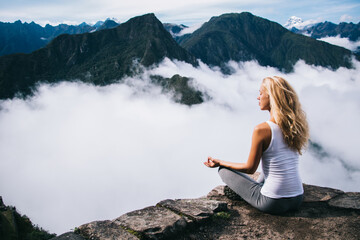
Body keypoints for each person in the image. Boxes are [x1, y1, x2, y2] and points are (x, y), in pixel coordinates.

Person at [204, 76, 309, 214]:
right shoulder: (294, 127)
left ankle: (244, 191)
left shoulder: (262, 130)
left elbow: (250, 168)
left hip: (272, 202)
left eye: (260, 93)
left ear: (271, 97)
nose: (258, 97)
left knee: (223, 171)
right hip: (297, 198)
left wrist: (220, 162)